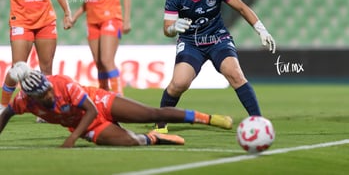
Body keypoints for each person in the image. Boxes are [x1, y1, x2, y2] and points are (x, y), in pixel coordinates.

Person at [155, 0, 276, 133]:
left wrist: (261, 30)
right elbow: (167, 29)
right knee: (179, 84)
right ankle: (160, 124)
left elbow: (242, 8)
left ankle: (258, 121)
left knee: (235, 74)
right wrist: (173, 28)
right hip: (191, 43)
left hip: (218, 38)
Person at [0, 61, 232, 148]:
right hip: (88, 127)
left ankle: (208, 119)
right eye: (43, 96)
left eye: (48, 90)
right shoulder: (24, 101)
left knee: (152, 112)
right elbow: (6, 113)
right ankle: (154, 138)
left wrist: (71, 138)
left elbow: (90, 109)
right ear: (32, 97)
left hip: (98, 104)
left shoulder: (63, 84)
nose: (49, 95)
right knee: (131, 142)